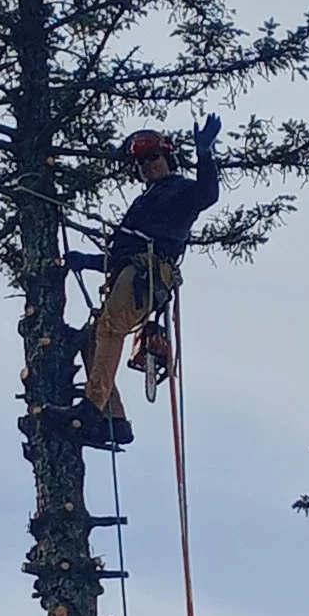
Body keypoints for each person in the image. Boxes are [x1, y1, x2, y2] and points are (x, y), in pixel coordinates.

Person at [44, 115, 222, 448]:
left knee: (110, 327)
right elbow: (124, 252)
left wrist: (205, 155)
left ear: (167, 158)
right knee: (94, 337)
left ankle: (90, 409)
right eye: (140, 162)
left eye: (152, 158)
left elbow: (207, 194)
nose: (146, 166)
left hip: (149, 272)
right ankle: (115, 419)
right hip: (131, 270)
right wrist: (90, 261)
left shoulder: (181, 190)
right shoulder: (145, 200)